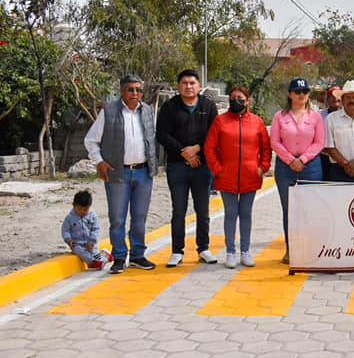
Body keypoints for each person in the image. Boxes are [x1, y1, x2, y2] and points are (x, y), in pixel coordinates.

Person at [84, 74, 158, 274]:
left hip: (143, 173)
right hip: (118, 174)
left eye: (138, 90)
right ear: (122, 91)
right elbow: (90, 140)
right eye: (131, 89)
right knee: (117, 218)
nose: (135, 93)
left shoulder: (148, 111)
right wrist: (99, 161)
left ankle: (137, 255)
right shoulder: (108, 112)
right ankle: (118, 257)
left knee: (140, 217)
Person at [155, 69, 219, 267]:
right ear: (178, 86)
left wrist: (197, 149)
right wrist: (184, 151)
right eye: (184, 83)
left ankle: (204, 248)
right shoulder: (169, 107)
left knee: (203, 210)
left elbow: (214, 132)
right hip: (177, 166)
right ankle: (176, 251)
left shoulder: (208, 106)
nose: (188, 86)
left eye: (192, 83)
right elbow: (162, 134)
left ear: (198, 86)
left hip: (202, 166)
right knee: (179, 211)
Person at [204, 86, 271, 269]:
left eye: (240, 98)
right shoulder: (220, 121)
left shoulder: (257, 122)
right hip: (226, 177)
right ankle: (230, 252)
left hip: (250, 176)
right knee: (230, 214)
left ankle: (245, 251)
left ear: (247, 100)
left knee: (246, 214)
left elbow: (266, 148)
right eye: (233, 98)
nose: (236, 101)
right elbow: (209, 148)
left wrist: (262, 168)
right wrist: (218, 169)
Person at [271, 77, 326, 264]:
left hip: (310, 166)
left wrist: (302, 159)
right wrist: (290, 160)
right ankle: (291, 248)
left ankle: (310, 248)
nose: (301, 95)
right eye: (297, 92)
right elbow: (275, 142)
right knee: (289, 210)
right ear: (290, 94)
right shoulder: (280, 116)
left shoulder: (316, 117)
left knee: (309, 209)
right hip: (285, 167)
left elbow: (319, 142)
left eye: (305, 92)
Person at [61, 190, 112, 270]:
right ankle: (92, 262)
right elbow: (65, 230)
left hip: (90, 243)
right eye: (79, 209)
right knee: (78, 250)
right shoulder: (69, 218)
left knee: (96, 254)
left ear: (90, 206)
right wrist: (69, 240)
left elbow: (96, 229)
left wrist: (92, 241)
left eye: (85, 210)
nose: (82, 212)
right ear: (73, 205)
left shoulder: (93, 216)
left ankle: (105, 256)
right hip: (78, 243)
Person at [318, 86, 341, 181]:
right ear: (327, 99)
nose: (335, 98)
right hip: (325, 159)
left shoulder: (348, 114)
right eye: (331, 95)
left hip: (343, 159)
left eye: (338, 95)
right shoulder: (319, 116)